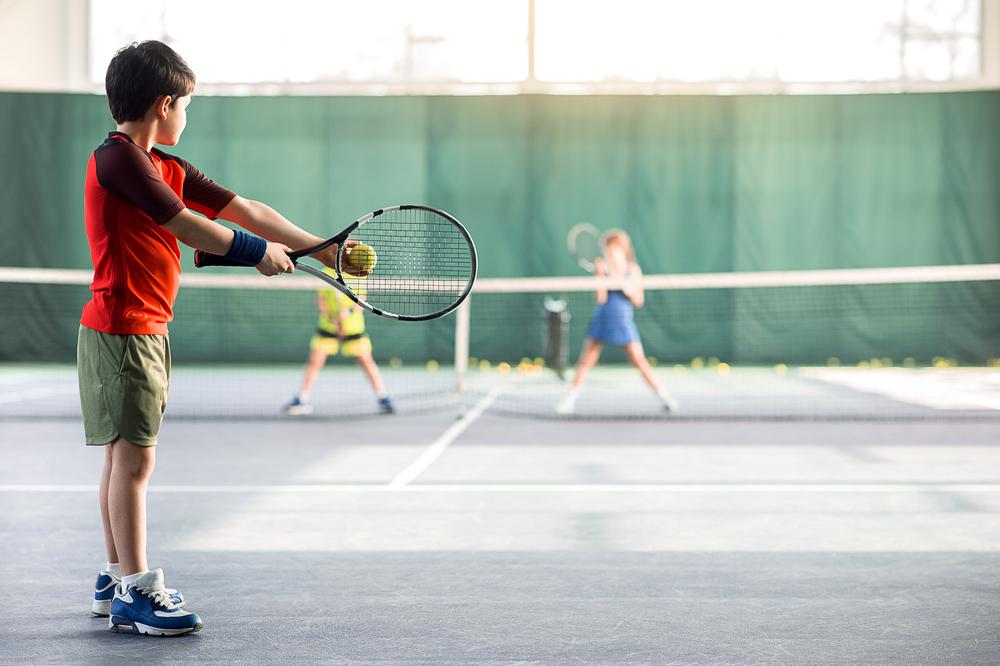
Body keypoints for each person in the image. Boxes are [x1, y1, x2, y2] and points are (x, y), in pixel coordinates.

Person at [80, 40, 349, 636]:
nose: (186, 117)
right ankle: (135, 590)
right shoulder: (119, 160)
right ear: (164, 103)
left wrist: (325, 250)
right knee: (134, 461)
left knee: (121, 457)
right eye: (186, 106)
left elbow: (245, 209)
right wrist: (255, 255)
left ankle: (114, 574)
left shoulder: (163, 165)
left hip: (137, 328)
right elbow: (186, 225)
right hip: (124, 329)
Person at [556, 230, 679, 415]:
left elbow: (639, 300)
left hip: (623, 321)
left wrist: (624, 286)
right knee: (586, 361)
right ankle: (570, 399)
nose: (608, 253)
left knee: (639, 360)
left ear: (623, 250)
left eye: (612, 249)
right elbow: (600, 298)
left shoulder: (633, 270)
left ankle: (664, 396)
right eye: (606, 249)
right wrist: (601, 277)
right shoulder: (602, 269)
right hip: (602, 319)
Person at [285, 270, 394, 415]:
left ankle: (383, 397)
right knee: (315, 361)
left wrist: (347, 314)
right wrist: (334, 321)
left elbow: (361, 300)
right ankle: (302, 399)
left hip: (353, 328)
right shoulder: (324, 273)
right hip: (329, 326)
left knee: (366, 361)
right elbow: (321, 302)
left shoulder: (357, 274)